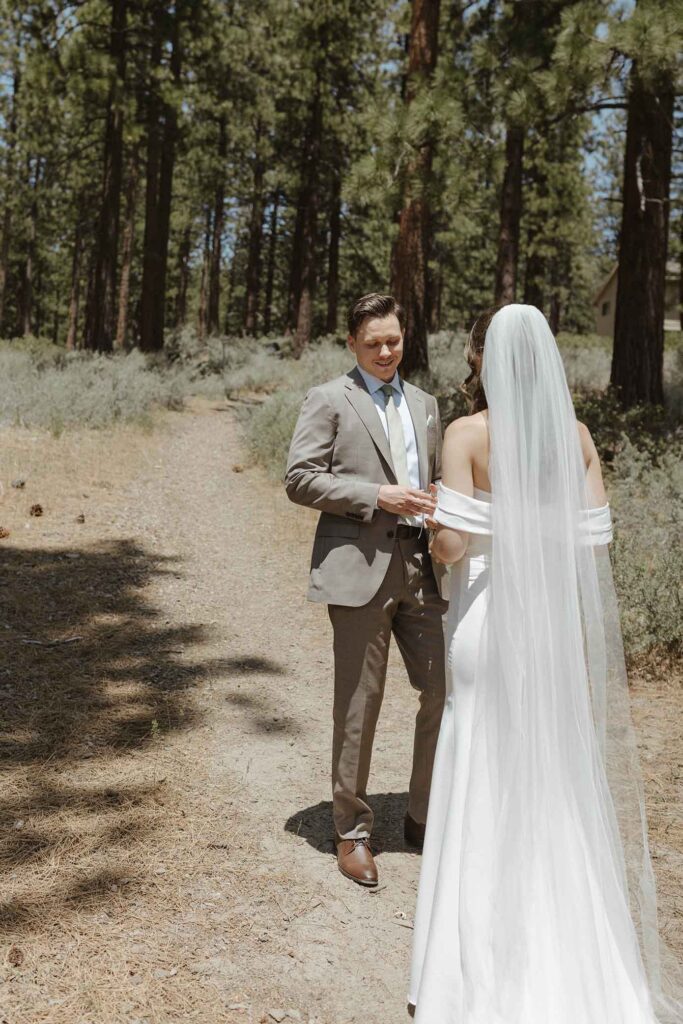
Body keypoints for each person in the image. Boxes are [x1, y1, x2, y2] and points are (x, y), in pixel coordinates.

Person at [408, 304, 682, 1023]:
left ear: (484, 360)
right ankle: (569, 945)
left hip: (488, 621)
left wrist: (440, 520)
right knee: (551, 772)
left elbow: (451, 551)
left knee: (478, 763)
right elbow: (592, 544)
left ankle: (472, 966)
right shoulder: (578, 438)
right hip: (547, 636)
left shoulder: (468, 434)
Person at [285, 293, 448, 887]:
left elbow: (437, 480)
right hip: (358, 568)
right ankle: (351, 830)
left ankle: (423, 816)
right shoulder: (330, 399)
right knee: (360, 701)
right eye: (373, 342)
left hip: (423, 568)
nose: (385, 351)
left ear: (405, 338)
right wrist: (376, 496)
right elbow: (299, 478)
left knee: (447, 687)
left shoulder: (428, 405)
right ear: (352, 343)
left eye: (394, 340)